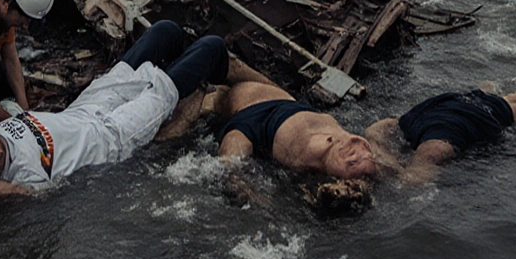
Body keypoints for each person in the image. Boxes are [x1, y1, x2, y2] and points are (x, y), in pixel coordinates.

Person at [0, 20, 229, 191]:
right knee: (212, 48)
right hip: (113, 136)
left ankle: (186, 70)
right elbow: (4, 194)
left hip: (86, 107)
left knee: (166, 31)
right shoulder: (27, 178)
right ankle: (220, 80)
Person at [364, 76, 516, 186]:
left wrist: (388, 165)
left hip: (480, 108)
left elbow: (413, 181)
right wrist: (379, 156)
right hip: (472, 101)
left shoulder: (433, 147)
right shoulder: (407, 126)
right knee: (513, 99)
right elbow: (373, 132)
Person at [160, 74, 380, 180]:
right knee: (228, 168)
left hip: (273, 112)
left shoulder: (338, 144)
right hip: (269, 113)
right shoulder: (239, 120)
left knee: (228, 168)